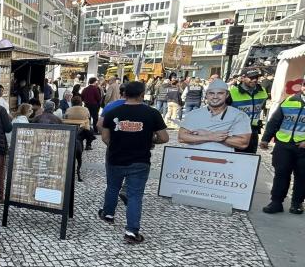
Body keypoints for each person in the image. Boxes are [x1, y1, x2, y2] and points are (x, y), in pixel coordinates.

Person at [98, 81, 169, 244]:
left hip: (115, 158)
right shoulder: (152, 113)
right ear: (142, 94)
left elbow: (104, 137)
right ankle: (131, 232)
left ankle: (108, 214)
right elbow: (164, 137)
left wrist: (117, 145)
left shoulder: (113, 112)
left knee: (113, 187)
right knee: (135, 195)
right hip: (140, 160)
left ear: (124, 93)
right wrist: (150, 141)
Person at [259, 85, 305, 214]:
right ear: (302, 87)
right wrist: (265, 139)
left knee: (302, 176)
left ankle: (297, 203)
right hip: (284, 145)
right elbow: (274, 121)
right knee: (281, 174)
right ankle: (276, 202)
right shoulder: (289, 100)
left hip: (303, 147)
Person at [178, 79, 251, 153]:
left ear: (227, 95)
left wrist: (208, 134)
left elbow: (243, 143)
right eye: (211, 93)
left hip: (222, 161)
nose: (215, 96)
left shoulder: (239, 115)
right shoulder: (194, 114)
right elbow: (182, 137)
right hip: (195, 159)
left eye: (220, 93)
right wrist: (210, 137)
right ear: (206, 95)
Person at [229, 67, 268, 153]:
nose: (254, 80)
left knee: (250, 158)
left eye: (256, 78)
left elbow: (261, 107)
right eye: (251, 77)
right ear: (242, 78)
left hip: (253, 131)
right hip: (236, 131)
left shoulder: (262, 91)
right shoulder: (232, 92)